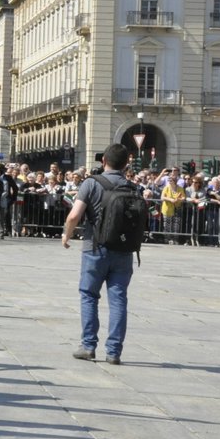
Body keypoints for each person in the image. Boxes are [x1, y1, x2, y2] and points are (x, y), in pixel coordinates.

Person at [61, 143, 142, 364]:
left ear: (103, 160)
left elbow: (73, 216)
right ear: (127, 164)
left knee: (89, 296)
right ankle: (114, 351)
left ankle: (88, 346)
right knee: (118, 300)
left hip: (94, 248)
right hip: (124, 251)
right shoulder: (133, 187)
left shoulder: (91, 183)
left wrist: (66, 235)